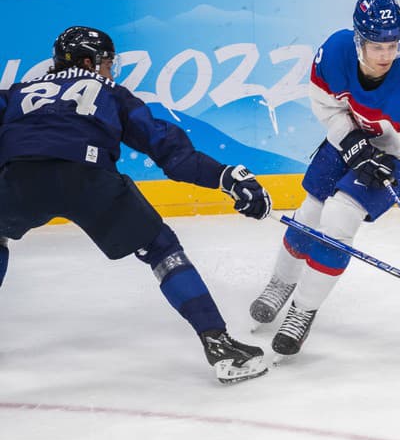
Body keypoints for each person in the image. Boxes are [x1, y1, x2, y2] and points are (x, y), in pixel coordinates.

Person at [0, 26, 272, 384]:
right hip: (87, 176)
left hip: (16, 178)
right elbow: (171, 154)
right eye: (107, 63)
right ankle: (218, 345)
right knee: (161, 249)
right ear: (88, 62)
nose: (110, 70)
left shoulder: (16, 93)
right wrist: (225, 177)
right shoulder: (111, 92)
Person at [250, 0, 400, 359]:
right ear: (359, 40)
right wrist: (348, 138)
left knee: (340, 215)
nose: (385, 56)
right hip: (351, 134)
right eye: (377, 46)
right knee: (312, 210)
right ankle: (281, 282)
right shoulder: (334, 51)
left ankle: (303, 310)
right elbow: (326, 106)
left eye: (393, 45)